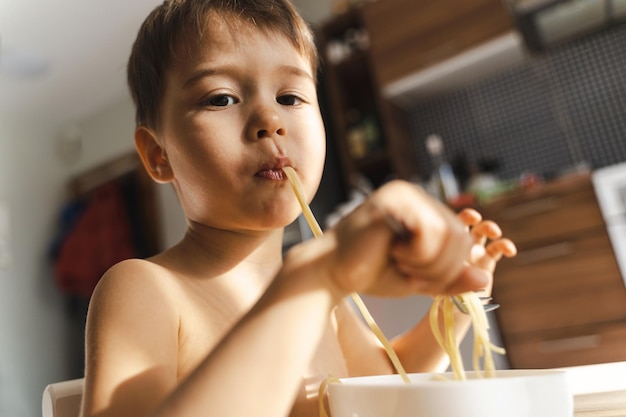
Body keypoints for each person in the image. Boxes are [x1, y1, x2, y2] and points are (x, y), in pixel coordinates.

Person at [80, 1, 517, 416]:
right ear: (159, 155)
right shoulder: (143, 288)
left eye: (289, 97)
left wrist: (458, 307)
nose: (271, 120)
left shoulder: (325, 301)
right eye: (221, 98)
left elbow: (384, 379)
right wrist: (315, 276)